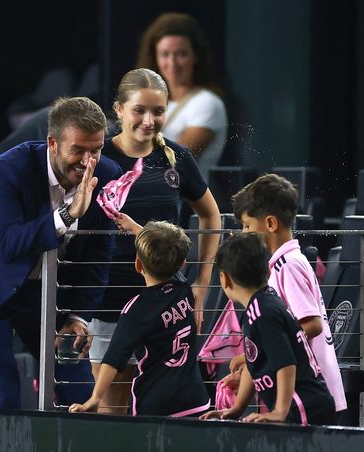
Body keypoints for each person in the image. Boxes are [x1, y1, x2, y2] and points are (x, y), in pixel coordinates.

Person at [0, 97, 122, 410]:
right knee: (4, 398)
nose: (88, 161)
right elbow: (7, 245)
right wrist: (67, 214)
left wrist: (78, 317)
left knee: (79, 393)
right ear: (52, 143)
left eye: (96, 149)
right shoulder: (7, 169)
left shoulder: (106, 174)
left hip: (46, 294)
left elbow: (99, 253)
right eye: (78, 150)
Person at [88, 68, 221, 414]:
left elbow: (212, 216)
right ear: (118, 110)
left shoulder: (176, 157)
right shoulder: (96, 157)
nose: (149, 120)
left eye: (158, 111)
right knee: (112, 406)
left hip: (167, 304)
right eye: (139, 110)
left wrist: (202, 287)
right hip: (108, 302)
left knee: (164, 406)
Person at [226, 173, 347, 414]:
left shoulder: (287, 266)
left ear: (270, 224)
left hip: (311, 391)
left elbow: (311, 324)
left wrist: (269, 350)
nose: (243, 233)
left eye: (247, 226)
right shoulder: (282, 263)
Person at [70, 221, 210, 417]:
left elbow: (114, 357)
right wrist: (136, 228)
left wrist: (95, 397)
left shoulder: (138, 308)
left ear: (137, 265)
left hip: (155, 404)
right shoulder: (185, 289)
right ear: (182, 264)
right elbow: (171, 259)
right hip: (195, 399)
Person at [201, 233, 336, 425]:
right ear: (268, 270)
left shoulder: (263, 313)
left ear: (224, 279)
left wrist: (280, 411)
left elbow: (286, 364)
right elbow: (253, 362)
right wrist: (237, 408)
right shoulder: (260, 305)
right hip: (301, 405)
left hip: (303, 406)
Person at [136, 12, 227, 180]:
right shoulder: (151, 102)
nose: (172, 63)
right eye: (165, 54)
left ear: (196, 56)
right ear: (155, 58)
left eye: (181, 54)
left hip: (184, 204)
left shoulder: (207, 103)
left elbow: (173, 160)